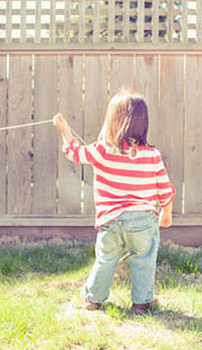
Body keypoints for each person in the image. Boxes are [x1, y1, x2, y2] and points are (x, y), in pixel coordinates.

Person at [52, 89, 175, 314]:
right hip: (143, 221)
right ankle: (141, 303)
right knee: (144, 260)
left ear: (112, 120)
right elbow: (165, 189)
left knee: (105, 259)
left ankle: (93, 300)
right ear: (144, 123)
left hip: (111, 221)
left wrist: (64, 130)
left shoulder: (102, 151)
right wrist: (166, 213)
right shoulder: (152, 155)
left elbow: (74, 152)